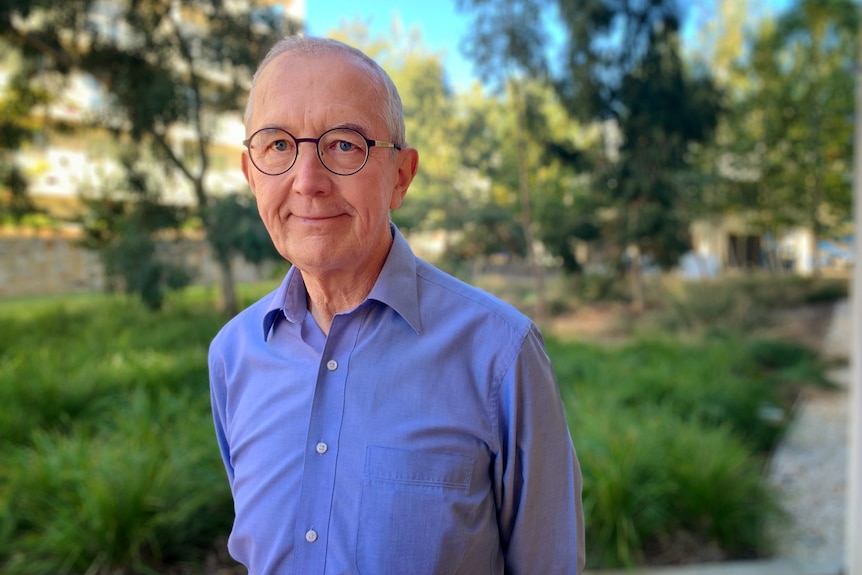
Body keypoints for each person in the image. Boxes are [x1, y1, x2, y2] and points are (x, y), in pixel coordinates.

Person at [208, 35, 585, 575]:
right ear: (250, 174)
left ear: (401, 177)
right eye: (278, 146)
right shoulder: (233, 356)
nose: (307, 182)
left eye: (343, 145)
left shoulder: (500, 355)